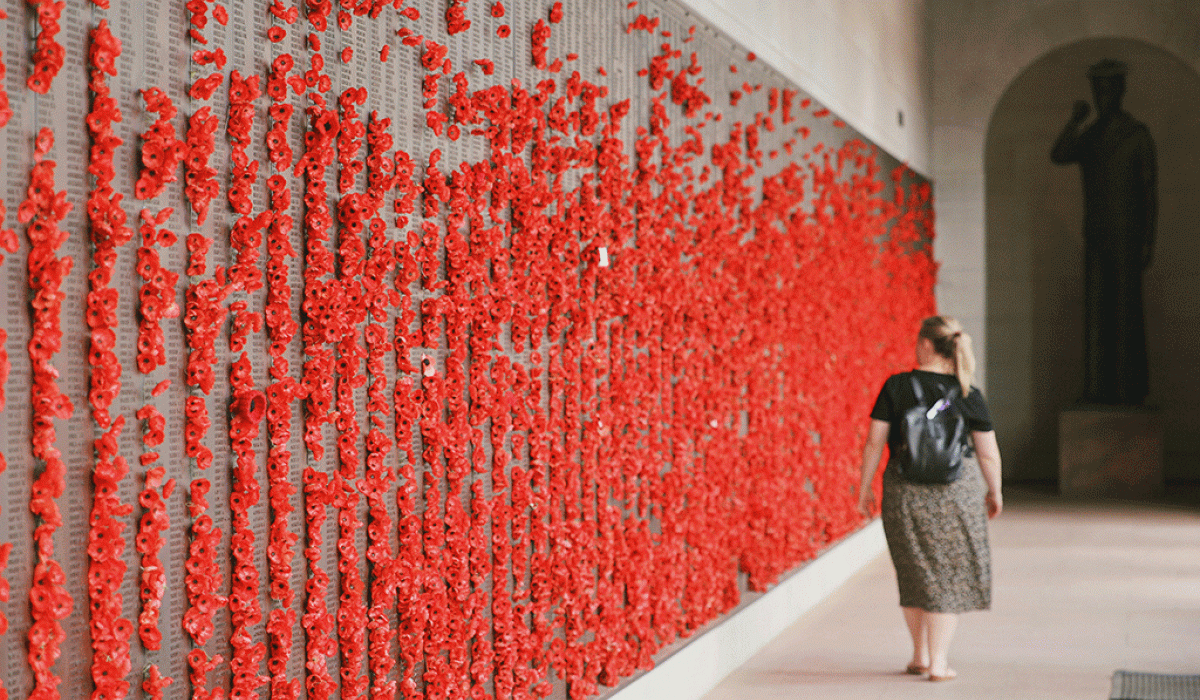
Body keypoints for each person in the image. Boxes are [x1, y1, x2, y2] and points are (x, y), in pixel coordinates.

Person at [856, 316, 1003, 682]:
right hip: (957, 491)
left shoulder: (897, 386)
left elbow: (875, 441)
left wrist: (863, 487)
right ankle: (938, 662)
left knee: (914, 569)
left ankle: (920, 655)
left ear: (924, 344)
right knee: (948, 576)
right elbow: (987, 453)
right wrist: (995, 490)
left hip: (904, 490)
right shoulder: (967, 391)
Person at [1050, 58, 1156, 405]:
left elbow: (1149, 193)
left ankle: (1129, 388)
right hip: (1096, 237)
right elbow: (1059, 154)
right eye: (1097, 88)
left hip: (1127, 237)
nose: (1101, 95)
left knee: (1126, 314)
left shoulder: (1137, 134)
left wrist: (1147, 242)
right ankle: (1096, 387)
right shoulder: (1091, 135)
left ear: (1120, 89)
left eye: (1108, 87)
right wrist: (1075, 120)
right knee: (1096, 314)